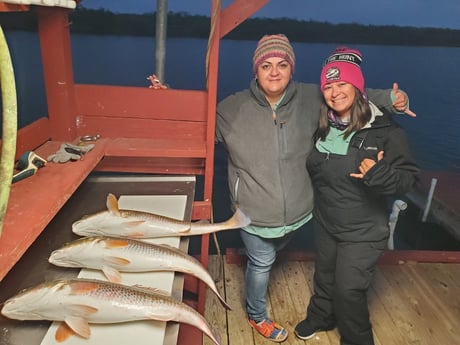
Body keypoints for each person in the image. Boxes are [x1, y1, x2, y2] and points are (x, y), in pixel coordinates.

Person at [215, 34, 412, 343]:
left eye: (282, 64)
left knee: (343, 284)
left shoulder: (312, 98)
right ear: (255, 70)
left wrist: (392, 99)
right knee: (263, 263)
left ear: (292, 69)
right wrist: (167, 98)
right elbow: (194, 123)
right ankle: (258, 314)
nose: (275, 72)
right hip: (258, 213)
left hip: (304, 213)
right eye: (266, 65)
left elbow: (351, 91)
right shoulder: (230, 109)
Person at [294, 47, 420, 345]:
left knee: (348, 290)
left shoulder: (385, 131)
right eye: (328, 86)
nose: (335, 92)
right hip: (327, 222)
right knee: (324, 276)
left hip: (364, 230)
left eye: (342, 84)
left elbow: (410, 180)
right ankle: (322, 316)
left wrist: (380, 175)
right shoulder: (324, 125)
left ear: (357, 87)